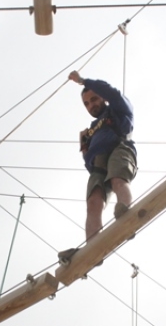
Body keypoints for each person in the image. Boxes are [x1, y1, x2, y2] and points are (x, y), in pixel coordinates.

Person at [58, 71, 137, 264]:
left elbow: (112, 93)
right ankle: (92, 247)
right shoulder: (91, 131)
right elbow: (88, 161)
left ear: (102, 98)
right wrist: (85, 148)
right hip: (98, 163)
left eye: (94, 99)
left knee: (117, 180)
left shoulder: (118, 108)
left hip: (119, 148)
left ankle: (125, 211)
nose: (91, 105)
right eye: (86, 104)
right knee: (93, 202)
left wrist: (83, 81)